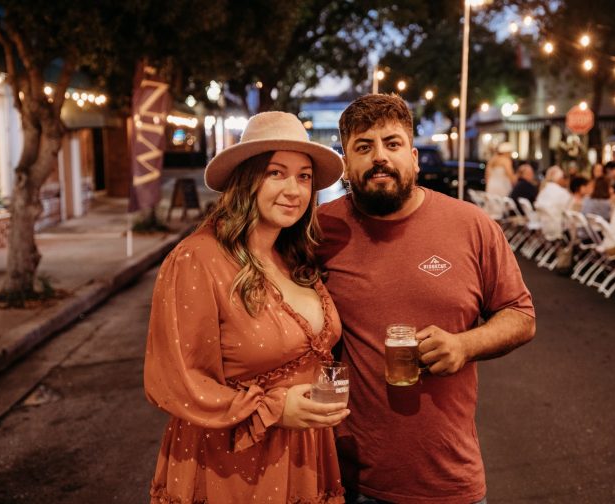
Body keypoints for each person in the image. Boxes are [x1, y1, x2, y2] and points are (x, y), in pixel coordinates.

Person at [316, 94, 536, 504]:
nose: (379, 156)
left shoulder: (472, 226)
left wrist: (464, 344)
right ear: (345, 164)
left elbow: (521, 314)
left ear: (414, 157)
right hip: (343, 475)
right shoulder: (319, 231)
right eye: (363, 147)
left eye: (392, 143)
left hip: (447, 479)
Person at [143, 111, 349, 504]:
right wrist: (272, 408)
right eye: (276, 172)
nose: (294, 190)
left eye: (304, 176)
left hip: (305, 454)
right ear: (245, 178)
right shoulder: (198, 259)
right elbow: (174, 381)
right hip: (232, 463)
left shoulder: (292, 255)